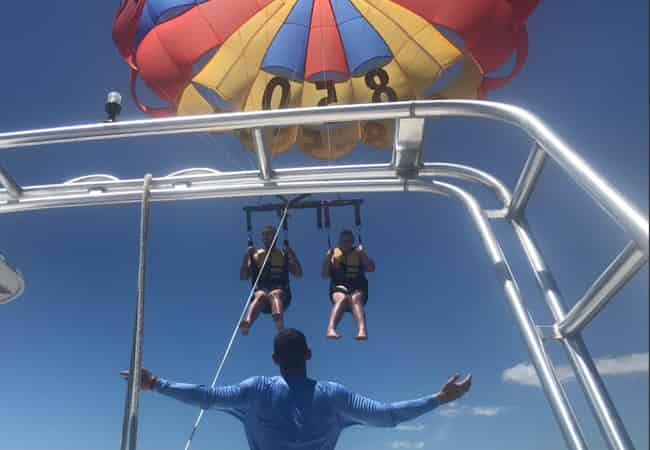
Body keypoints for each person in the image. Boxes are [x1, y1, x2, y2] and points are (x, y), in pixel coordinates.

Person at [121, 329, 472, 450]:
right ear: (308, 355)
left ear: (275, 358)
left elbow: (206, 397)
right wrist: (439, 399)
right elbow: (387, 417)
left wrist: (155, 384)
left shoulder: (256, 389)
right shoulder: (333, 394)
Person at [239, 225, 302, 335]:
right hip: (262, 298)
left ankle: (279, 322)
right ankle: (247, 322)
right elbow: (244, 277)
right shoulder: (256, 255)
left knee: (274, 294)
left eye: (269, 234)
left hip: (282, 294)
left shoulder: (283, 254)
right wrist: (246, 256)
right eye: (264, 235)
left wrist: (291, 253)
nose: (267, 237)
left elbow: (298, 274)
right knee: (260, 295)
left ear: (275, 237)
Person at [321, 230, 375, 340]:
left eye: (349, 241)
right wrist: (327, 258)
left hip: (357, 286)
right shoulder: (333, 254)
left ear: (352, 242)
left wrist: (362, 253)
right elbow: (324, 275)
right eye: (344, 241)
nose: (346, 243)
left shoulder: (358, 253)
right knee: (342, 298)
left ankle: (362, 330)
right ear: (339, 241)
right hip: (339, 285)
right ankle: (331, 329)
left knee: (355, 298)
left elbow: (371, 268)